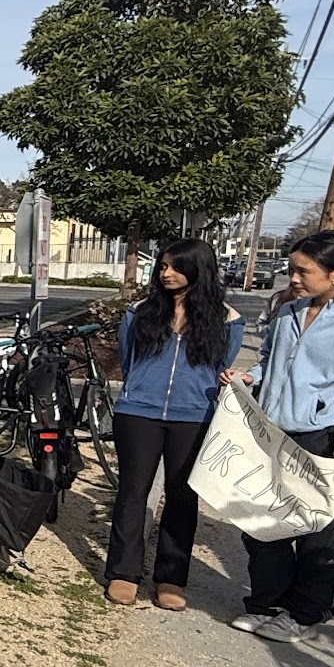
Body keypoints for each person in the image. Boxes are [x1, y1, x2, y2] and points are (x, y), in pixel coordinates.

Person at [224, 230, 334, 644]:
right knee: (263, 524)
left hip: (326, 441)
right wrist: (252, 376)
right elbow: (269, 361)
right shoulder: (289, 312)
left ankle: (305, 614)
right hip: (275, 434)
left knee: (320, 537)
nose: (293, 278)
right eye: (292, 269)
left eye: (303, 271)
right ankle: (269, 603)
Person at [102, 238, 242, 610]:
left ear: (199, 270)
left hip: (193, 416)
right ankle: (123, 573)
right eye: (162, 266)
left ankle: (171, 578)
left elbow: (219, 365)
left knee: (182, 497)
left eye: (176, 267)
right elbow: (128, 358)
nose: (166, 274)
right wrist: (139, 390)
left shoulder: (227, 320)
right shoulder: (140, 312)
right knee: (133, 493)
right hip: (139, 412)